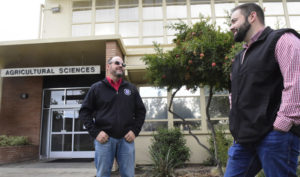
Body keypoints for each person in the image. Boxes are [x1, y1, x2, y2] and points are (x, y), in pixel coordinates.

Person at [225, 3, 300, 177]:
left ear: (252, 17)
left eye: (234, 21)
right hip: (244, 138)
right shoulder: (239, 58)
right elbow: (234, 94)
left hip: (276, 136)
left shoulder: (283, 39)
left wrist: (281, 125)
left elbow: (296, 82)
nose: (231, 27)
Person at [79, 56, 146, 177]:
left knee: (129, 174)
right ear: (108, 66)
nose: (121, 65)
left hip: (126, 140)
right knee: (103, 174)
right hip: (104, 140)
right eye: (117, 63)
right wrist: (96, 133)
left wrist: (135, 131)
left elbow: (141, 111)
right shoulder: (96, 88)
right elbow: (84, 112)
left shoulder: (131, 89)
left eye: (123, 64)